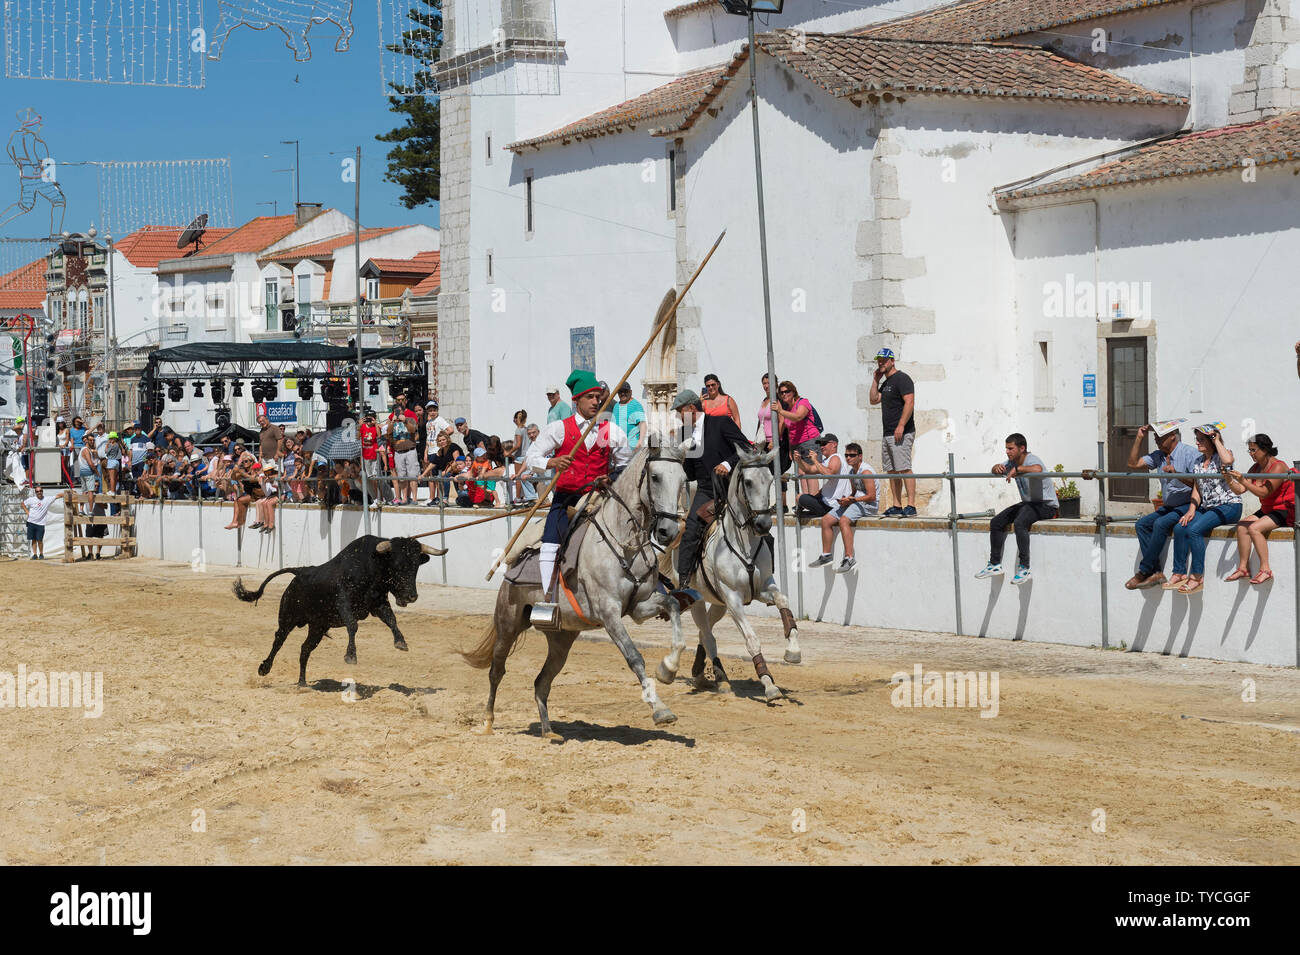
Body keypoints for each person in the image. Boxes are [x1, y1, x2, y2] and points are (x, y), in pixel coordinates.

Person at [525, 370, 634, 620]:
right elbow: (532, 457)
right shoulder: (559, 429)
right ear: (578, 401)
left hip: (599, 498)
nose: (596, 401)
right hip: (567, 498)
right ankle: (548, 599)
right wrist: (553, 462)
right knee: (551, 541)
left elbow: (625, 464)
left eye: (598, 397)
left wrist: (612, 477)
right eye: (591, 397)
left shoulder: (610, 430)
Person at [672, 388, 754, 606]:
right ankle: (684, 584)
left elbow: (746, 448)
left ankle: (764, 574)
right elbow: (690, 473)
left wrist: (727, 463)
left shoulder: (721, 423)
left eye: (679, 412)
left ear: (691, 408)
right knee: (691, 530)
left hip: (733, 488)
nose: (678, 417)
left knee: (760, 523)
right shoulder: (683, 433)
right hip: (707, 490)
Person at [1124, 420, 1200, 590]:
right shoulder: (1158, 455)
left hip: (1187, 504)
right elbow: (1133, 464)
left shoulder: (1189, 454)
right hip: (1169, 506)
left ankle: (1143, 571)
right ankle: (1156, 571)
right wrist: (1139, 438)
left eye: (1160, 436)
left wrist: (1177, 474)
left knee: (1160, 524)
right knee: (1142, 524)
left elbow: (1199, 484)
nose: (1156, 440)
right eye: (1155, 436)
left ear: (1173, 437)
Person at [974, 433, 1059, 586]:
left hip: (1046, 506)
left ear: (1022, 448)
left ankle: (1024, 568)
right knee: (996, 522)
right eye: (1006, 448)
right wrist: (997, 468)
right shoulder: (1011, 461)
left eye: (1010, 448)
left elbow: (1038, 469)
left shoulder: (1031, 459)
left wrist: (1018, 469)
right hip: (1029, 504)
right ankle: (994, 565)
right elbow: (995, 469)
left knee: (1020, 523)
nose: (1007, 451)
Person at [1168, 424, 1241, 595]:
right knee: (1180, 527)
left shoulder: (1223, 455)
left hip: (1229, 505)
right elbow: (1197, 487)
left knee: (1194, 530)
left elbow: (1229, 462)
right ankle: (1178, 572)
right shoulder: (1199, 462)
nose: (1197, 443)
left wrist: (1216, 438)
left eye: (1201, 440)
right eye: (1197, 439)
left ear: (1211, 441)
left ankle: (1197, 576)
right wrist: (1192, 509)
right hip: (1209, 507)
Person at [1225, 434, 1295, 585]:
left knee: (1254, 528)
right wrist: (1228, 479)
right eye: (1249, 450)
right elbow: (1240, 489)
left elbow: (1264, 492)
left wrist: (1243, 480)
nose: (1251, 453)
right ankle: (1243, 568)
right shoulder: (1256, 467)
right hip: (1267, 509)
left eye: (1253, 450)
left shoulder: (1278, 466)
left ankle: (1265, 569)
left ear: (1265, 449)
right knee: (1243, 525)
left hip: (1283, 509)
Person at [809, 441, 877, 573]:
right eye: (846, 455)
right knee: (826, 520)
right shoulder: (852, 471)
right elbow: (854, 492)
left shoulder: (866, 472)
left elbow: (872, 496)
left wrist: (853, 500)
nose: (848, 458)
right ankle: (826, 555)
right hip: (857, 501)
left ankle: (849, 558)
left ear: (860, 456)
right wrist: (847, 499)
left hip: (869, 505)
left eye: (852, 455)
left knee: (844, 520)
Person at [869, 347, 917, 517]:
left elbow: (909, 402)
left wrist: (901, 425)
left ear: (892, 361)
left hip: (901, 432)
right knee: (891, 470)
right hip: (887, 432)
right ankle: (897, 505)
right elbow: (874, 399)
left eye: (883, 359)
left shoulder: (902, 379)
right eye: (878, 360)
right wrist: (875, 379)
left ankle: (911, 505)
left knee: (904, 468)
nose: (880, 362)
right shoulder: (886, 382)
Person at [771, 380, 821, 496]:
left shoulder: (803, 402)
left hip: (809, 441)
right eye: (781, 393)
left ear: (793, 392)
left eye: (787, 391)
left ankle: (813, 502)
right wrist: (790, 448)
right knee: (801, 473)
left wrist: (780, 411)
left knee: (810, 473)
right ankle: (806, 501)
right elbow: (790, 431)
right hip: (796, 445)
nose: (784, 394)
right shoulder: (788, 409)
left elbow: (798, 417)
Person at [796, 433, 845, 519]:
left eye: (824, 444)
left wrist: (815, 460)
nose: (821, 447)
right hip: (827, 502)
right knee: (801, 497)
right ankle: (816, 512)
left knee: (801, 498)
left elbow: (829, 474)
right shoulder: (827, 460)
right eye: (820, 444)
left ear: (834, 444)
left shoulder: (835, 458)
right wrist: (799, 461)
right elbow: (809, 470)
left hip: (833, 505)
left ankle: (820, 513)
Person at [20, 484, 63, 560]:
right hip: (31, 522)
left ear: (42, 491)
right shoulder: (31, 499)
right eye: (37, 491)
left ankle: (41, 554)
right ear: (35, 492)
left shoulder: (47, 499)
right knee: (33, 539)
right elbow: (23, 504)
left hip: (41, 523)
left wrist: (69, 492)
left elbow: (57, 496)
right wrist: (28, 512)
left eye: (40, 491)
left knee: (40, 540)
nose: (39, 492)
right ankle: (34, 554)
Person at [254, 464, 280, 534]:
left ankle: (271, 525)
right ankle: (266, 524)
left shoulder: (276, 475)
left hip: (281, 494)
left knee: (268, 503)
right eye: (266, 471)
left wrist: (268, 477)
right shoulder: (266, 477)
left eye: (268, 471)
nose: (267, 472)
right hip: (274, 494)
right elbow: (262, 476)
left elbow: (276, 477)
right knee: (264, 503)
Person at [77, 438, 99, 516]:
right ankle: (90, 510)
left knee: (84, 491)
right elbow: (91, 463)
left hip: (82, 472)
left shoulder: (84, 449)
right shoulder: (86, 450)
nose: (92, 441)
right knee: (90, 492)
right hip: (88, 473)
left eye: (93, 440)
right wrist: (97, 472)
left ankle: (81, 510)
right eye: (90, 440)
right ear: (86, 441)